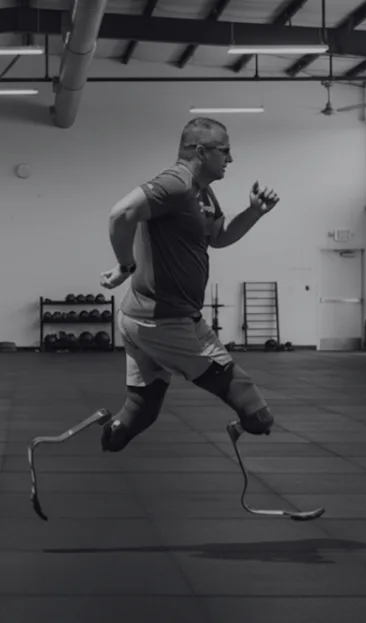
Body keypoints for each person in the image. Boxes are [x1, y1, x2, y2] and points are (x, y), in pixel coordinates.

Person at [95, 117, 281, 452]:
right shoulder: (176, 183)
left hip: (168, 318)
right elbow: (121, 214)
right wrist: (125, 266)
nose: (231, 159)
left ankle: (108, 440)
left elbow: (219, 237)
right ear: (200, 150)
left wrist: (254, 212)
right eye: (225, 151)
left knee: (143, 408)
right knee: (255, 410)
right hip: (161, 321)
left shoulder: (203, 193)